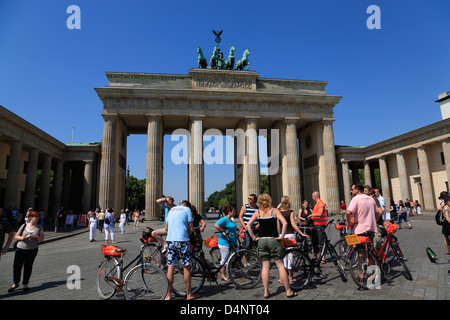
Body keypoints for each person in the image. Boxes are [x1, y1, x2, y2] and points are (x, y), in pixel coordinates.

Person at [246, 193, 297, 298]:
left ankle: (266, 292)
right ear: (269, 200)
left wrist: (254, 238)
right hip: (273, 239)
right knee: (280, 265)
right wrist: (282, 235)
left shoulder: (258, 212)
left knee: (265, 266)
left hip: (262, 241)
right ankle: (288, 291)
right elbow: (285, 223)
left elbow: (248, 225)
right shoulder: (274, 211)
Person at [164, 200, 198, 300]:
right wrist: (186, 235)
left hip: (170, 240)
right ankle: (189, 294)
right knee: (186, 267)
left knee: (170, 268)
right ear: (188, 206)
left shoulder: (171, 210)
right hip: (182, 240)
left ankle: (168, 295)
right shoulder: (187, 210)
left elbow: (166, 228)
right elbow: (191, 228)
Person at [8, 211, 44, 293]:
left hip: (32, 250)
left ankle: (25, 284)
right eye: (36, 216)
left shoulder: (39, 227)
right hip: (20, 249)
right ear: (31, 217)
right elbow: (16, 236)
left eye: (38, 217)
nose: (37, 218)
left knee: (28, 267)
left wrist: (36, 237)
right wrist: (22, 238)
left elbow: (42, 239)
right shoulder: (24, 225)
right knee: (17, 267)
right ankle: (15, 283)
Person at [277, 196, 308, 284]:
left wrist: (280, 234)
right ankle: (290, 277)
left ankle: (282, 277)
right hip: (290, 235)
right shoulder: (290, 212)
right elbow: (294, 225)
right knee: (290, 256)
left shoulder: (278, 212)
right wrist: (302, 234)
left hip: (282, 235)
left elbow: (278, 226)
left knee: (283, 256)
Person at [215, 204, 238, 281]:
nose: (235, 213)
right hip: (225, 242)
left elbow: (232, 227)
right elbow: (216, 225)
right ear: (229, 211)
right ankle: (223, 275)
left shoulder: (231, 219)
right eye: (233, 211)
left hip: (232, 242)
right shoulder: (224, 219)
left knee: (232, 258)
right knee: (225, 260)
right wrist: (223, 231)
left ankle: (229, 272)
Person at [309, 191, 328, 264]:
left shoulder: (321, 203)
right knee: (314, 242)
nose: (312, 198)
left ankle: (323, 258)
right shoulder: (317, 204)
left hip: (320, 225)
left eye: (312, 196)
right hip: (315, 225)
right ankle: (315, 257)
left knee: (321, 242)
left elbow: (320, 213)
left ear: (315, 196)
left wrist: (312, 215)